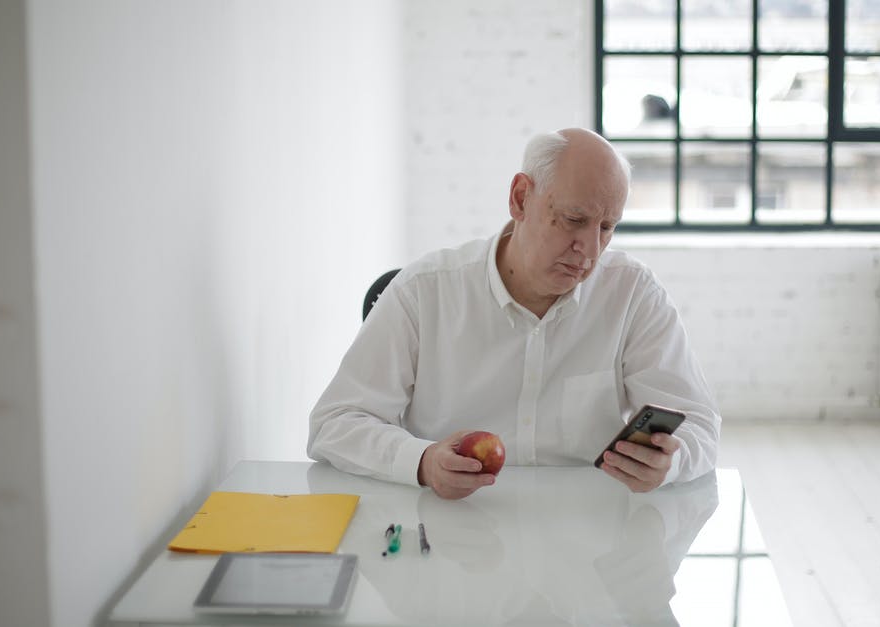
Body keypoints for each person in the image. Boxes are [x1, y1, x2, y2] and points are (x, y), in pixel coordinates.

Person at [308, 128, 720, 499]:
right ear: (521, 198)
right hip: (451, 533)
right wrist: (422, 461)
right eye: (574, 220)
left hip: (586, 537)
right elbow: (334, 424)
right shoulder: (425, 291)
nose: (590, 250)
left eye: (607, 227)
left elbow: (700, 424)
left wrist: (672, 462)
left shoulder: (633, 293)